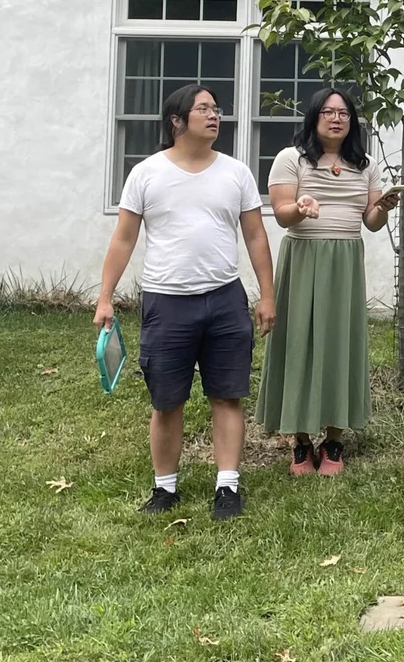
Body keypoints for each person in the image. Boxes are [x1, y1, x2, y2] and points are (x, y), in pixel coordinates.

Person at [93, 83, 276, 521]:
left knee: (227, 396)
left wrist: (267, 294)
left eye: (216, 109)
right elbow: (124, 238)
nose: (215, 116)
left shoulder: (236, 173)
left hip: (225, 299)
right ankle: (164, 489)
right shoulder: (146, 174)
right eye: (203, 109)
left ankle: (227, 488)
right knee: (166, 401)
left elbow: (255, 235)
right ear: (177, 121)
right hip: (166, 303)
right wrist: (105, 297)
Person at [257, 87, 401, 476]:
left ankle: (334, 440)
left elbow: (370, 223)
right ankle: (301, 442)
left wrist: (382, 208)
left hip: (345, 261)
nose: (337, 119)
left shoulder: (365, 164)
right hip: (304, 257)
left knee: (340, 343)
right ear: (314, 117)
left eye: (344, 114)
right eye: (328, 112)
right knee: (299, 342)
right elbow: (283, 215)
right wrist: (301, 208)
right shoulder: (292, 159)